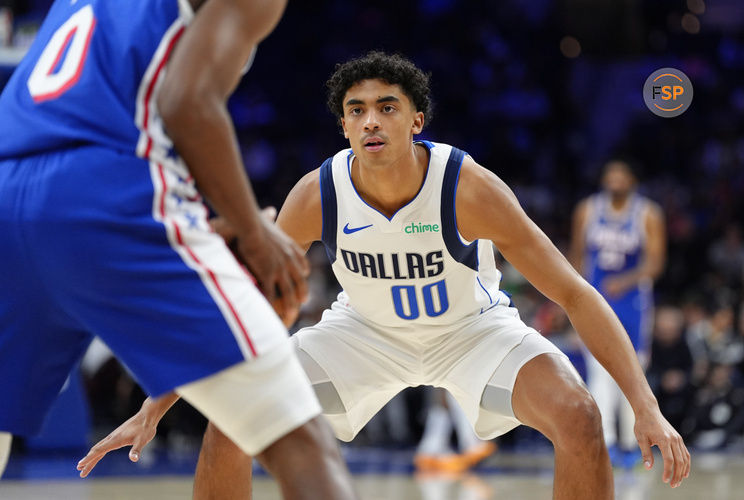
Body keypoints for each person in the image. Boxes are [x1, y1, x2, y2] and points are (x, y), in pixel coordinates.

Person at [82, 51, 690, 499]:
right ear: (343, 128)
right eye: (357, 111)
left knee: (579, 415)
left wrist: (645, 405)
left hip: (473, 330)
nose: (371, 120)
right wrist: (156, 404)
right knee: (233, 415)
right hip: (362, 335)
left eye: (386, 107)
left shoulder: (468, 188)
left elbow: (575, 293)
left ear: (415, 121)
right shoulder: (317, 194)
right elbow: (233, 306)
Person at [0, 1, 358, 498]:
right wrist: (251, 232)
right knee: (300, 439)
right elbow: (187, 103)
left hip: (9, 189)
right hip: (109, 190)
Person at [570, 159, 667, 467]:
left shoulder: (647, 213)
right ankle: (607, 443)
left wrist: (624, 281)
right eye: (609, 175)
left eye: (620, 176)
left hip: (633, 303)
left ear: (632, 180)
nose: (614, 180)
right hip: (596, 300)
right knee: (598, 372)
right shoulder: (587, 210)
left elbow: (655, 263)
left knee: (634, 372)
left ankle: (632, 444)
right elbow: (577, 257)